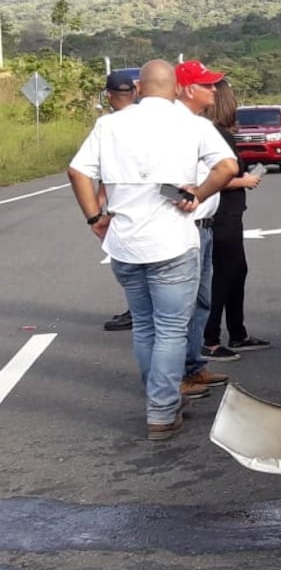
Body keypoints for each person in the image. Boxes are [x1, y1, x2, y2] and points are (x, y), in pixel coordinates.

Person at [67, 59, 238, 440]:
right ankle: (161, 411)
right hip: (172, 242)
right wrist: (199, 193)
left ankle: (159, 399)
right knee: (172, 329)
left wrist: (95, 218)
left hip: (125, 244)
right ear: (177, 89)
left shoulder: (109, 124)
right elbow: (227, 166)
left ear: (139, 88)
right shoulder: (193, 125)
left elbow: (78, 172)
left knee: (144, 326)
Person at [174, 60, 238, 387]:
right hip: (187, 225)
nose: (214, 90)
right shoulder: (178, 125)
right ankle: (176, 377)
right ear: (188, 89)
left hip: (206, 225)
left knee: (201, 300)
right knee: (181, 305)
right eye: (207, 84)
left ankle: (193, 365)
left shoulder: (198, 123)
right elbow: (227, 168)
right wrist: (197, 195)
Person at [202, 79, 270, 355]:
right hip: (222, 212)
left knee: (236, 271)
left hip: (229, 211)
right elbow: (211, 177)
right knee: (224, 274)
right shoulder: (216, 134)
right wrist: (244, 181)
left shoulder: (211, 132)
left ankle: (237, 332)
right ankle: (210, 337)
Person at [99, 68, 141, 332]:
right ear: (135, 92)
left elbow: (91, 168)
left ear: (109, 96)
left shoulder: (108, 125)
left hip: (124, 201)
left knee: (128, 262)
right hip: (155, 198)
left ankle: (137, 310)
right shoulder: (152, 121)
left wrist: (96, 210)